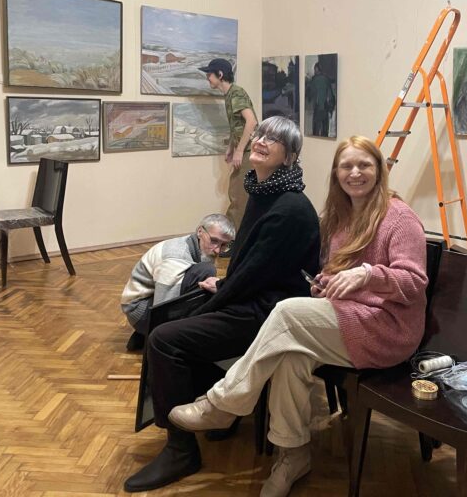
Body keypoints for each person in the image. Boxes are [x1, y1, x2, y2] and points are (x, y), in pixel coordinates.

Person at [168, 136, 428, 497]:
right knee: (290, 356)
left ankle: (224, 403)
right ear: (336, 174)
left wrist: (368, 275)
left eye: (364, 165)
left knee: (287, 312)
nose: (355, 173)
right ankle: (293, 455)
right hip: (348, 318)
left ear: (380, 170)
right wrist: (327, 283)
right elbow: (338, 276)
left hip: (388, 329)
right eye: (346, 166)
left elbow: (414, 282)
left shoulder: (399, 217)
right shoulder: (339, 217)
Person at [123, 117, 321, 493]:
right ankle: (217, 412)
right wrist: (224, 285)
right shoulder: (262, 192)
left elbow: (256, 277)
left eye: (274, 139)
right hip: (256, 297)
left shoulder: (289, 208)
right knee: (177, 320)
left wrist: (218, 297)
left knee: (164, 339)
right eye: (260, 134)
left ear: (289, 157)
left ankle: (181, 450)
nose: (261, 140)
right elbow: (250, 267)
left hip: (272, 314)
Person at [119, 213, 235, 351]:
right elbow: (162, 309)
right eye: (214, 241)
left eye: (224, 245)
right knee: (206, 271)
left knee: (205, 275)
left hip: (147, 302)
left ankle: (143, 335)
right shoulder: (175, 257)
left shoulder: (193, 244)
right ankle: (146, 334)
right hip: (140, 311)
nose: (217, 250)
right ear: (200, 231)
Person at [200, 58, 259, 228]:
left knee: (238, 195)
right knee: (237, 192)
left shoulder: (236, 93)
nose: (207, 78)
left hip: (249, 150)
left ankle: (232, 237)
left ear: (220, 75)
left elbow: (251, 122)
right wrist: (231, 147)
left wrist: (239, 151)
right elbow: (237, 125)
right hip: (244, 149)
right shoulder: (230, 95)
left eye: (209, 74)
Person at [308, 62, 335, 137]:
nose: (314, 71)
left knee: (316, 130)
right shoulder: (326, 79)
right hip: (325, 107)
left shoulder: (314, 80)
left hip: (317, 107)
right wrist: (331, 107)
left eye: (315, 69)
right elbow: (330, 95)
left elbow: (311, 93)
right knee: (325, 129)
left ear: (317, 69)